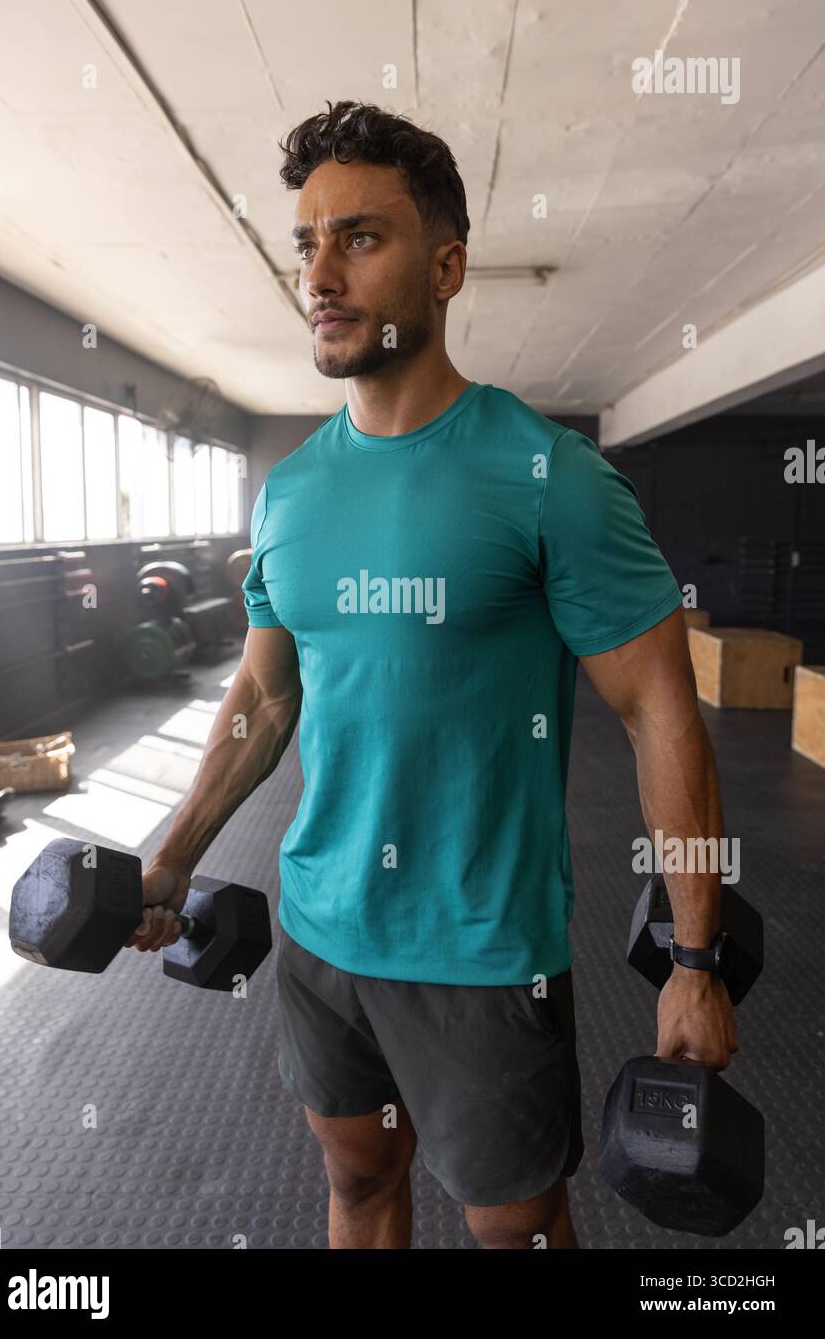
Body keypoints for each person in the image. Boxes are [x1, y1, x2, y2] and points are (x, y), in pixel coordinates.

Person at [127, 101, 738, 1250]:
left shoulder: (547, 474)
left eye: (359, 237)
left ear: (447, 265)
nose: (322, 271)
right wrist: (174, 855)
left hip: (480, 950)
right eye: (306, 244)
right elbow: (266, 698)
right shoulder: (290, 495)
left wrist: (696, 958)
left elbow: (661, 707)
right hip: (319, 931)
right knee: (358, 1183)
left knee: (513, 1225)